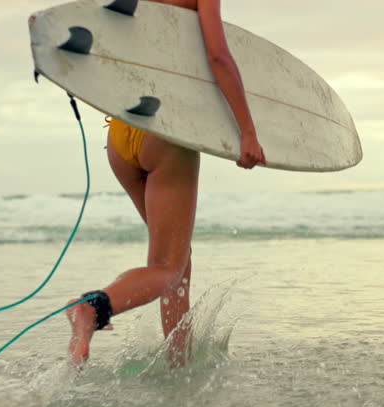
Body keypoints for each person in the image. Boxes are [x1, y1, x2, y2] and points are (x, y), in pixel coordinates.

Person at [66, 0, 266, 368]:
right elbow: (218, 56)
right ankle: (93, 309)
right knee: (167, 267)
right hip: (166, 132)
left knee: (177, 263)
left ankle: (178, 362)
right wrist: (248, 132)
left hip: (122, 133)